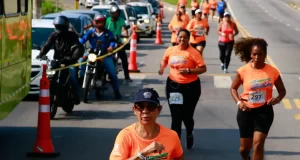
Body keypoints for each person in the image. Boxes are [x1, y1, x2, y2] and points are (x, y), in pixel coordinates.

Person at [230, 37, 286, 160]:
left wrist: (277, 99)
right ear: (251, 54)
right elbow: (233, 88)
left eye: (260, 54)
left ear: (265, 55)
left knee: (259, 144)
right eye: (254, 54)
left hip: (264, 111)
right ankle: (245, 157)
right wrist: (239, 103)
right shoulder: (243, 71)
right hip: (246, 111)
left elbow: (282, 91)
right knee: (245, 149)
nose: (256, 57)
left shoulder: (272, 71)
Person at [158, 29, 207, 149]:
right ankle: (176, 145)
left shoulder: (193, 52)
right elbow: (164, 60)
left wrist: (189, 71)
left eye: (185, 37)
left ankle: (189, 133)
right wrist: (162, 68)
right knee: (176, 116)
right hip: (174, 86)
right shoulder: (170, 50)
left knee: (187, 116)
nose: (182, 39)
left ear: (188, 38)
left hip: (191, 87)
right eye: (180, 37)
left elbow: (203, 68)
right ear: (176, 37)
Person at [109, 88, 184, 160]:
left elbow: (179, 157)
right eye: (140, 107)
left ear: (159, 110)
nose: (145, 111)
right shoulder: (125, 135)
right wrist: (142, 154)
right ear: (134, 110)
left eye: (151, 107)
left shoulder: (172, 136)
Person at [36, 15, 84, 105]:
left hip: (70, 62)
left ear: (65, 26)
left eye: (60, 27)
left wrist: (74, 57)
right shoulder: (54, 35)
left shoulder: (72, 36)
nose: (58, 28)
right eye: (57, 26)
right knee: (49, 74)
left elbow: (78, 47)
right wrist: (41, 54)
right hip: (57, 61)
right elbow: (47, 45)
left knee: (73, 76)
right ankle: (51, 91)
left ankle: (76, 95)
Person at [80, 14, 122, 100]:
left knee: (113, 74)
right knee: (81, 61)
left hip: (105, 55)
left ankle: (116, 91)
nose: (100, 24)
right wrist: (77, 44)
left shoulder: (108, 33)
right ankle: (81, 80)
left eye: (102, 22)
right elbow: (82, 40)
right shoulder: (90, 32)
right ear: (95, 22)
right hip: (92, 54)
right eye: (99, 22)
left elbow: (113, 41)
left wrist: (111, 46)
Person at [106, 5, 132, 83]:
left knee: (124, 59)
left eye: (117, 13)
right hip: (109, 42)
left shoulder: (121, 20)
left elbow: (123, 29)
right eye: (115, 13)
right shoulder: (107, 21)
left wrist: (125, 34)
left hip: (118, 41)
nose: (116, 14)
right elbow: (104, 29)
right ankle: (105, 76)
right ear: (111, 13)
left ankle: (127, 76)